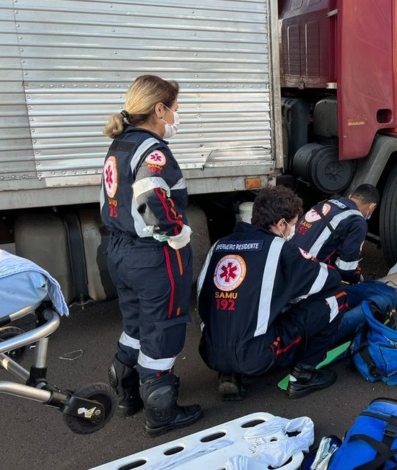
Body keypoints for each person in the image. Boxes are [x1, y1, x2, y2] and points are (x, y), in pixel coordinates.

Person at [100, 75, 202, 437]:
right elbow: (150, 199)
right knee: (163, 328)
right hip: (153, 256)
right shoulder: (153, 150)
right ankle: (161, 412)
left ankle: (127, 392)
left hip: (120, 251)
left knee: (136, 325)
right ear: (159, 109)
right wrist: (177, 233)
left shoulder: (121, 145)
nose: (177, 115)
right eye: (175, 108)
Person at [197, 186, 347, 400]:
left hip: (210, 352)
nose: (293, 231)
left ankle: (228, 372)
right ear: (281, 224)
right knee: (336, 301)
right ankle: (303, 377)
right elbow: (329, 281)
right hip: (255, 356)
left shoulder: (220, 245)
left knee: (235, 307)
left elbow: (202, 300)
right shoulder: (280, 249)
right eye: (293, 224)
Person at [292, 184, 379, 284]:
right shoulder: (358, 222)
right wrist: (358, 279)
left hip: (287, 260)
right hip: (305, 275)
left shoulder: (325, 203)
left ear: (350, 196)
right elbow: (346, 269)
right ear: (372, 206)